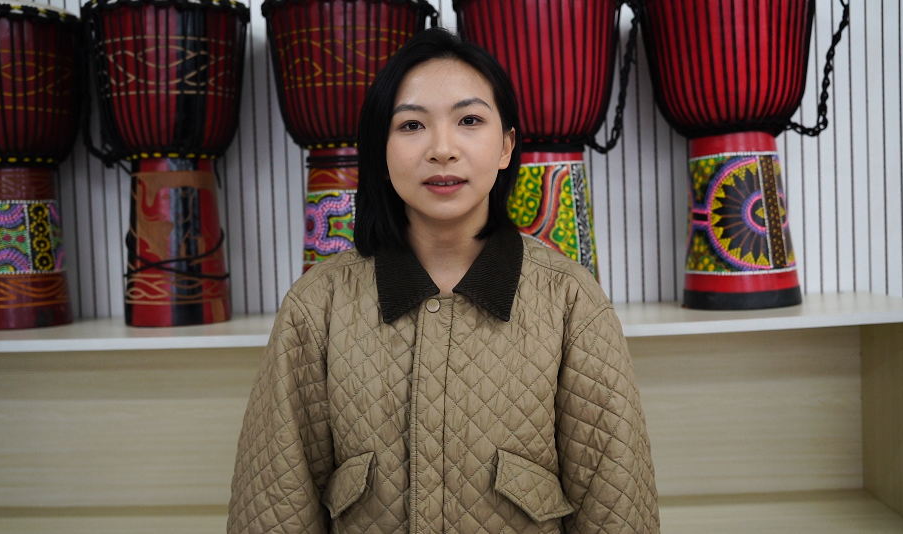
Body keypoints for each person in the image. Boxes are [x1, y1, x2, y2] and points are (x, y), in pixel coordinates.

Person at [227, 27, 659, 534]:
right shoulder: (316, 306)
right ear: (381, 151)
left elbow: (617, 507)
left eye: (469, 120)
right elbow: (274, 507)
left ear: (506, 146)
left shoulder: (571, 303)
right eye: (411, 125)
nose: (442, 148)